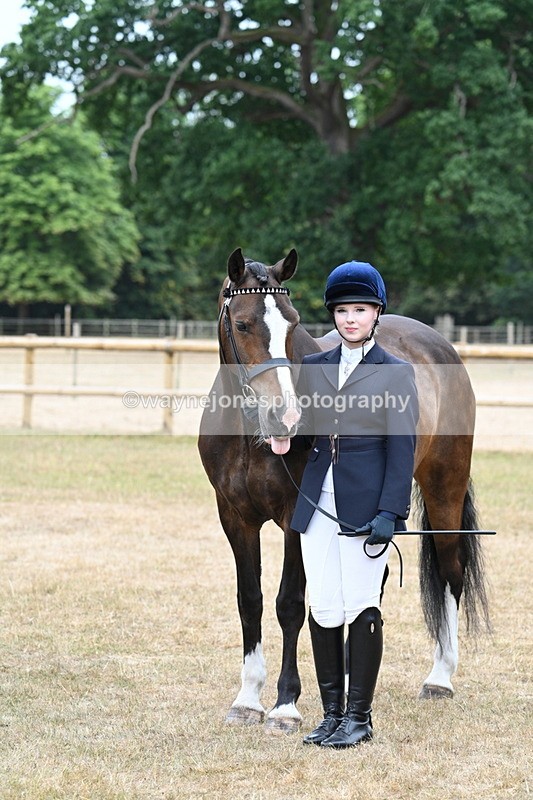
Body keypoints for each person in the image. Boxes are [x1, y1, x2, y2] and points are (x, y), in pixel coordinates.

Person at [290, 260, 418, 749]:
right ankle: (332, 715)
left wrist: (391, 512)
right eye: (343, 311)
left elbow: (402, 449)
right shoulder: (314, 368)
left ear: (377, 313)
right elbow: (307, 431)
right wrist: (283, 435)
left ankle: (359, 718)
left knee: (361, 604)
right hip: (317, 505)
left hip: (366, 506)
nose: (350, 319)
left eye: (360, 310)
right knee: (323, 605)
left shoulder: (397, 374)